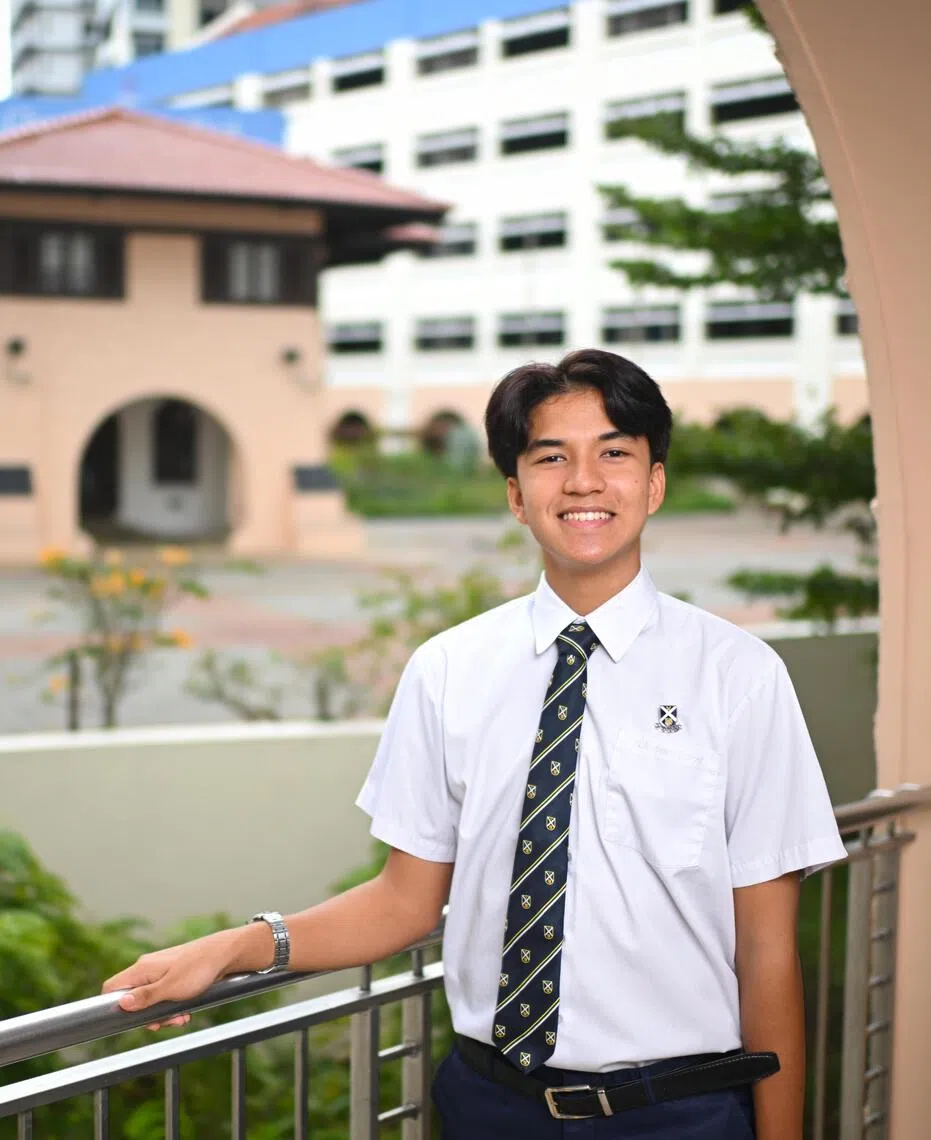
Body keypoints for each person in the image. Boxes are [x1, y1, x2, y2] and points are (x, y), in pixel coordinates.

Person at [104, 349, 846, 1138]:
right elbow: (403, 902)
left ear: (654, 483)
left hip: (679, 1114)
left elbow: (767, 949)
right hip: (490, 1107)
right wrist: (238, 947)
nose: (583, 482)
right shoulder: (448, 671)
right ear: (517, 495)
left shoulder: (738, 677)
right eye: (551, 458)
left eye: (613, 454)